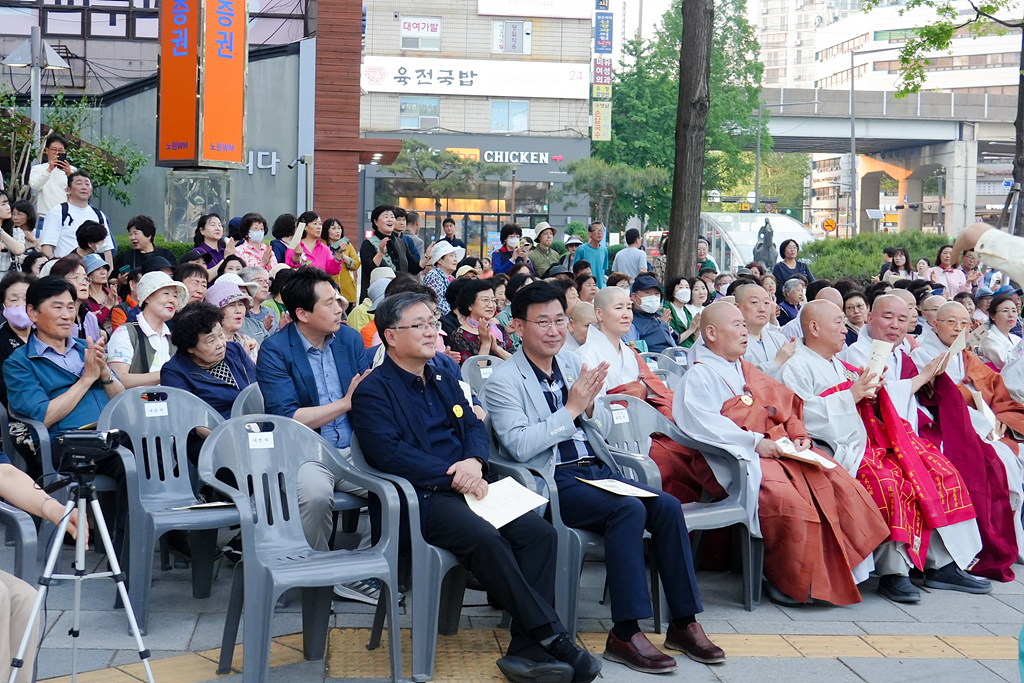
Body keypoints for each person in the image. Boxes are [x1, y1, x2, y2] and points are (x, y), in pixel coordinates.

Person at [351, 291, 601, 683]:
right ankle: (554, 638)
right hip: (421, 499)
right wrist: (456, 473)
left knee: (539, 533)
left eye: (432, 323)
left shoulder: (443, 376)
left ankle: (526, 652)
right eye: (419, 325)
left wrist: (474, 463)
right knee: (487, 539)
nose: (432, 332)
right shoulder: (372, 390)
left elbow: (471, 425)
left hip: (471, 484)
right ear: (390, 336)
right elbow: (389, 455)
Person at [483, 281, 722, 673]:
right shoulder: (504, 381)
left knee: (666, 506)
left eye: (560, 320)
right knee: (627, 510)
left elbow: (605, 425)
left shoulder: (574, 363)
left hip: (595, 470)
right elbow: (519, 447)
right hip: (554, 481)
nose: (554, 330)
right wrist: (571, 409)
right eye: (542, 322)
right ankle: (625, 632)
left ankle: (684, 621)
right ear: (518, 327)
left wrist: (592, 407)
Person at [674, 301, 891, 605]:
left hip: (776, 449)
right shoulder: (699, 376)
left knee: (831, 477)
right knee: (789, 502)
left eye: (742, 324)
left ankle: (842, 572)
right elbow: (703, 425)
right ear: (710, 333)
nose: (744, 330)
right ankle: (788, 582)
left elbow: (788, 404)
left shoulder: (745, 368)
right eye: (736, 324)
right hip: (734, 460)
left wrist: (799, 434)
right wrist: (753, 442)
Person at [783, 298, 992, 601]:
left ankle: (941, 564)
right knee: (891, 482)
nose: (846, 328)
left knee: (936, 468)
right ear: (814, 327)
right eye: (839, 323)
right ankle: (894, 572)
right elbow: (798, 415)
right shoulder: (795, 367)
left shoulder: (840, 364)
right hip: (840, 447)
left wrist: (883, 387)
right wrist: (851, 395)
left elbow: (876, 396)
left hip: (872, 439)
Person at [255, 267, 382, 603]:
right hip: (305, 451)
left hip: (354, 448)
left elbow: (367, 397)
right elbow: (287, 417)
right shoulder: (276, 350)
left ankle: (358, 570)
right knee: (313, 495)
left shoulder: (350, 340)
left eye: (338, 300)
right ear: (302, 313)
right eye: (329, 303)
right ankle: (316, 570)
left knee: (400, 488)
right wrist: (345, 403)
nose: (340, 308)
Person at [4, 276, 127, 544]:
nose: (67, 315)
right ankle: (123, 554)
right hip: (66, 443)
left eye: (71, 307)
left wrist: (104, 373)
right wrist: (85, 380)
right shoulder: (20, 363)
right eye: (57, 307)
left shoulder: (86, 347)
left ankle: (154, 534)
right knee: (129, 460)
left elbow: (121, 402)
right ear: (32, 313)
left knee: (158, 449)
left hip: (111, 434)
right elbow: (43, 417)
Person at [912, 301, 1024, 578]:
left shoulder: (964, 356)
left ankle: (1014, 539)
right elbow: (936, 402)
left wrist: (993, 419)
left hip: (978, 424)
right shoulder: (922, 355)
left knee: (1011, 459)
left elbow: (992, 387)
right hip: (944, 430)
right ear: (935, 324)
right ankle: (978, 548)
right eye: (951, 322)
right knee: (990, 464)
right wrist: (981, 423)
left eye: (964, 323)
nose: (958, 328)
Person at [161, 301, 257, 420]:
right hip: (214, 432)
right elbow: (191, 421)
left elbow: (257, 385)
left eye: (221, 335)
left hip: (254, 422)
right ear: (190, 348)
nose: (220, 344)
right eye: (211, 341)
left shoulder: (235, 350)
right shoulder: (174, 372)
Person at [107, 271, 187, 388]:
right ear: (147, 298)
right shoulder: (126, 333)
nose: (172, 300)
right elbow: (117, 379)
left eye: (175, 296)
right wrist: (165, 374)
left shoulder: (173, 338)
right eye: (166, 293)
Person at [39, 171, 114, 267]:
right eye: (79, 183)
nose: (84, 187)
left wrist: (108, 272)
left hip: (93, 272)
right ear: (69, 190)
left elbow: (107, 249)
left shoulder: (99, 215)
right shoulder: (58, 211)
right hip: (66, 271)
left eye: (87, 184)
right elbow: (47, 246)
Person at [735, 284, 795, 379]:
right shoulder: (731, 344)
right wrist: (776, 363)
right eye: (754, 302)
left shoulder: (779, 339)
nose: (762, 309)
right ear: (737, 308)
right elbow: (741, 380)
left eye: (766, 303)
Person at [448, 279, 512, 365]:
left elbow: (516, 363)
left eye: (493, 300)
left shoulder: (498, 328)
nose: (491, 305)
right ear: (470, 305)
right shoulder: (459, 337)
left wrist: (496, 349)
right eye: (485, 300)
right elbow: (473, 373)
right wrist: (485, 344)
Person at [360, 205, 415, 298]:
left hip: (400, 294)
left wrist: (427, 257)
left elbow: (412, 268)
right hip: (378, 296)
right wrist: (380, 253)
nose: (390, 219)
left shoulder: (401, 242)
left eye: (392, 217)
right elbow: (368, 269)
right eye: (386, 216)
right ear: (376, 222)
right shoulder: (368, 244)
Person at [49, 255, 101, 342]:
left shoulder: (90, 318)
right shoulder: (54, 317)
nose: (84, 283)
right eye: (77, 278)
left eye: (85, 278)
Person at [29, 134, 76, 229]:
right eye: (54, 150)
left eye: (60, 150)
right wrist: (50, 169)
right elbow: (35, 186)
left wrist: (69, 175)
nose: (57, 153)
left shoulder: (72, 170)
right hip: (47, 217)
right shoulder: (38, 169)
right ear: (47, 150)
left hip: (69, 217)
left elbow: (78, 190)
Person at [206, 280, 259, 362]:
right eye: (231, 305)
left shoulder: (247, 341)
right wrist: (243, 355)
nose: (238, 310)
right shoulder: (210, 346)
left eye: (241, 304)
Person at [629, 275, 675, 354]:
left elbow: (675, 347)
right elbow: (635, 352)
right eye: (647, 293)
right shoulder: (630, 321)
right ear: (634, 297)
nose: (653, 297)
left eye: (656, 293)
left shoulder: (661, 319)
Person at [978, 294, 1022, 371]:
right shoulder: (988, 339)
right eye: (1005, 311)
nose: (1011, 315)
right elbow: (1008, 366)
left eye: (1014, 311)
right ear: (992, 316)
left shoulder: (1016, 339)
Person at [321, 219, 359, 307]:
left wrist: (345, 257)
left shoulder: (347, 245)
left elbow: (356, 264)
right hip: (328, 289)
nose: (337, 231)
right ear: (327, 230)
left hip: (347, 289)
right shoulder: (322, 246)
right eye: (333, 228)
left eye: (339, 228)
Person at [184, 213, 233, 278]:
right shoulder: (197, 253)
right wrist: (226, 259)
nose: (217, 228)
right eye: (213, 225)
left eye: (219, 225)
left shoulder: (225, 251)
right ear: (202, 231)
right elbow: (203, 277)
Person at [422, 241, 463, 316]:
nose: (455, 260)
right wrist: (457, 315)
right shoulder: (434, 276)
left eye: (455, 256)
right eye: (451, 256)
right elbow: (438, 304)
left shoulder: (452, 278)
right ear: (439, 260)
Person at [237, 267, 274, 343]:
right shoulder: (239, 314)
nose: (266, 285)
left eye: (267, 282)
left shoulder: (270, 312)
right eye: (260, 281)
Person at [664, 277, 700, 349]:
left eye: (687, 287)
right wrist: (691, 330)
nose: (685, 290)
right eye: (680, 287)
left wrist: (698, 329)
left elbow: (692, 339)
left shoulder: (687, 311)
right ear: (673, 292)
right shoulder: (666, 311)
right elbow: (673, 339)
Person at [83, 253, 115, 333]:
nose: (103, 272)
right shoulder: (83, 298)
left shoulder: (111, 293)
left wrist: (118, 306)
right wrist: (108, 306)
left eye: (104, 268)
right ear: (88, 275)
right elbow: (92, 325)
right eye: (97, 269)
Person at [572, 222, 609, 289]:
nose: (600, 233)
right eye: (597, 230)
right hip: (585, 288)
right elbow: (576, 271)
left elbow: (603, 270)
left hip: (600, 288)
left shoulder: (604, 250)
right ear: (590, 233)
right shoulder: (581, 249)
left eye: (602, 230)